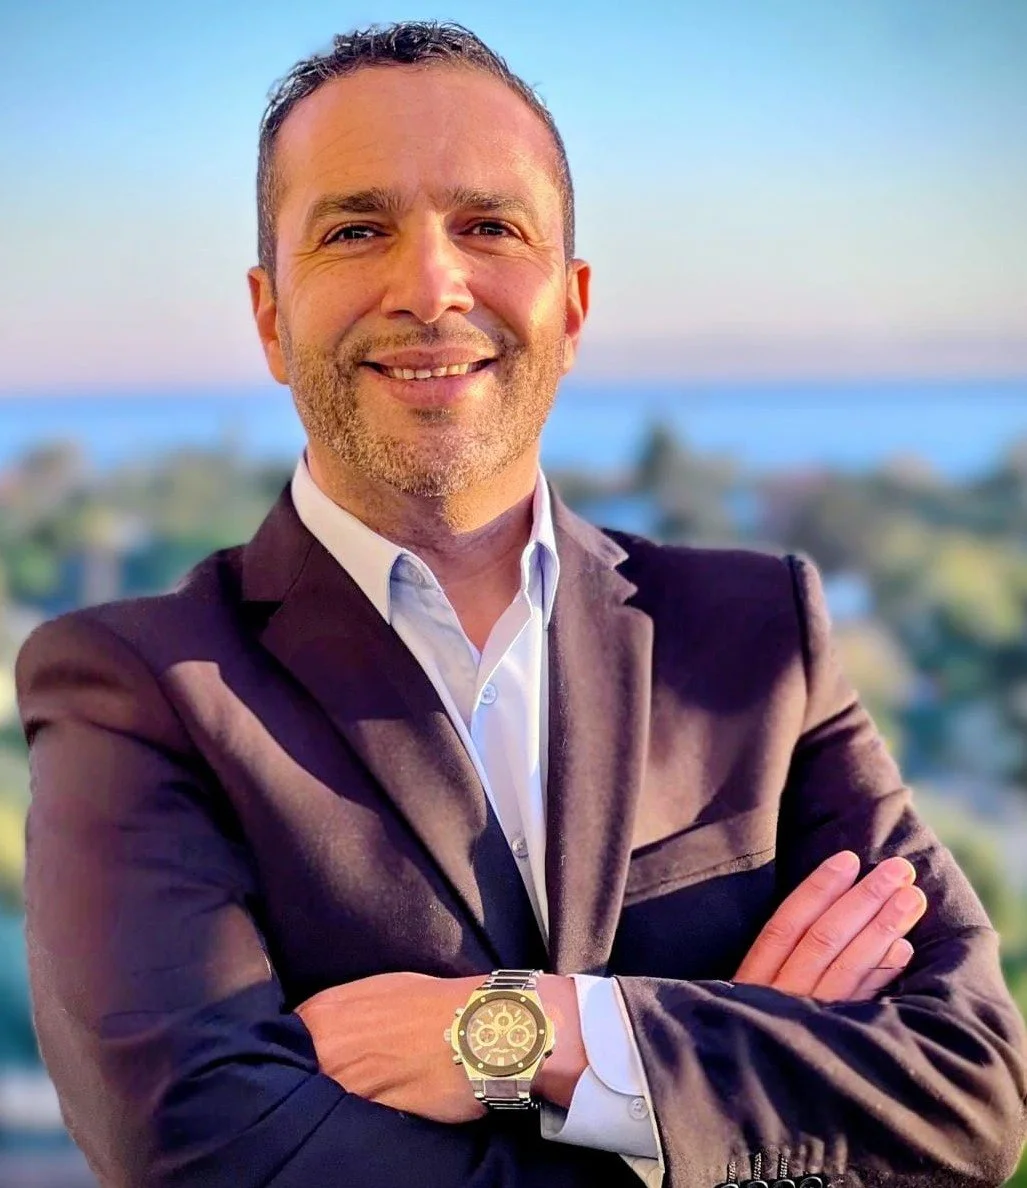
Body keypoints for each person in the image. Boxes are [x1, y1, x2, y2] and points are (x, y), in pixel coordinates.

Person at [15, 20, 1026, 1188]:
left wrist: (526, 1035)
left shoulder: (759, 640)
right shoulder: (138, 688)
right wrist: (710, 1080)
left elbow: (965, 1092)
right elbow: (208, 1155)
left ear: (572, 302)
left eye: (488, 227)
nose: (430, 286)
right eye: (356, 230)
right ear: (269, 317)